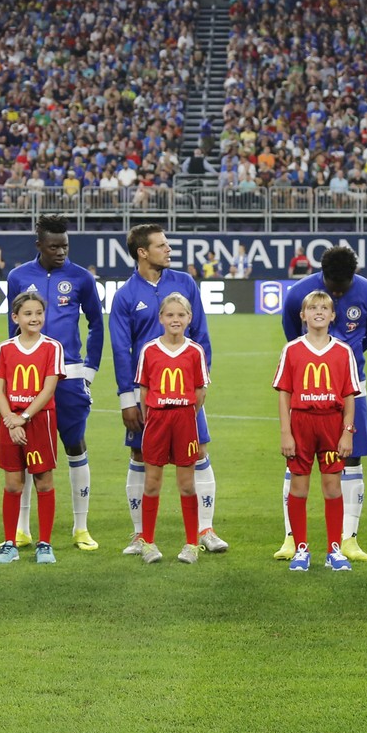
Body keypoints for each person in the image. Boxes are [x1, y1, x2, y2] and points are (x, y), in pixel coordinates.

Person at [110, 224, 228, 555]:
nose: (169, 250)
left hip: (186, 395)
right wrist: (128, 399)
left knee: (199, 451)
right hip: (148, 397)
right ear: (143, 252)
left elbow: (202, 335)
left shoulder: (185, 283)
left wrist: (200, 383)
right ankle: (140, 535)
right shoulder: (125, 296)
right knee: (140, 455)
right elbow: (121, 350)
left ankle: (205, 530)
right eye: (162, 245)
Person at [275, 245, 367, 562]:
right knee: (296, 460)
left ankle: (347, 539)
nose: (337, 292)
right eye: (332, 286)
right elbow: (290, 333)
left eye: (343, 288)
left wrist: (348, 358)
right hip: (308, 392)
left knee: (351, 459)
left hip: (352, 387)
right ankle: (292, 538)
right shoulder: (299, 294)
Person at [5, 216, 105, 550]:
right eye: (53, 246)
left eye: (65, 246)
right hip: (28, 381)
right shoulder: (18, 277)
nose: (60, 252)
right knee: (26, 450)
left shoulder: (81, 278)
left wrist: (89, 370)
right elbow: (12, 330)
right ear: (39, 246)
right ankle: (21, 529)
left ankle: (81, 527)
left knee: (75, 445)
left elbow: (96, 324)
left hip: (70, 377)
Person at [274, 290, 360, 572]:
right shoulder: (292, 349)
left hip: (331, 424)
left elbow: (349, 395)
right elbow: (285, 393)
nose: (319, 312)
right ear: (303, 315)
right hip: (301, 423)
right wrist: (286, 432)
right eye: (313, 308)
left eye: (325, 308)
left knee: (333, 487)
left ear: (333, 315)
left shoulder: (343, 351)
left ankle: (334, 549)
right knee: (298, 487)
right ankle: (301, 548)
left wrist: (347, 431)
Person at [132, 293, 210, 565]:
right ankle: (148, 542)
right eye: (170, 315)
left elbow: (200, 392)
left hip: (184, 421)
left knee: (187, 484)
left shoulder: (195, 351)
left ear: (189, 318)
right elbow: (143, 390)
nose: (175, 319)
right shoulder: (150, 350)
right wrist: (152, 416)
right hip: (157, 421)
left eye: (181, 315)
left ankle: (191, 544)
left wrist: (186, 414)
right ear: (161, 318)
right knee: (152, 482)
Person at [0, 292, 65, 564]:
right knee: (12, 484)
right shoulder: (5, 349)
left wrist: (25, 416)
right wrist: (11, 418)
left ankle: (45, 543)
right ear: (16, 317)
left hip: (40, 422)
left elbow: (49, 387)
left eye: (38, 313)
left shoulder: (52, 348)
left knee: (44, 482)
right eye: (28, 313)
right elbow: (0, 388)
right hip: (10, 424)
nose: (34, 318)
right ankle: (9, 543)